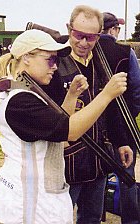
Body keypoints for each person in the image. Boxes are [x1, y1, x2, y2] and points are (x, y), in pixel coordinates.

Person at [0, 29, 127, 224]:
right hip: (29, 202)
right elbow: (70, 131)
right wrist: (107, 95)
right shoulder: (21, 101)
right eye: (50, 60)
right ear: (27, 57)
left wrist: (71, 96)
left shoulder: (27, 92)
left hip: (36, 195)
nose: (55, 67)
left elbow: (59, 134)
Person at [37, 5, 133, 224]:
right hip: (66, 161)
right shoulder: (52, 64)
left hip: (98, 159)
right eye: (78, 35)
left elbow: (111, 106)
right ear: (69, 28)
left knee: (91, 217)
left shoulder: (101, 60)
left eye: (91, 37)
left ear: (99, 35)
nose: (83, 43)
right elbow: (50, 118)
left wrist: (121, 142)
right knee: (58, 217)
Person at [101, 12, 140, 224]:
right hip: (123, 123)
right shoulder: (126, 52)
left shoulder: (85, 51)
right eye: (117, 28)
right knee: (127, 176)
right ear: (113, 29)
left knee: (96, 176)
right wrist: (130, 115)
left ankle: (96, 213)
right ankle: (131, 220)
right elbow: (135, 89)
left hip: (93, 123)